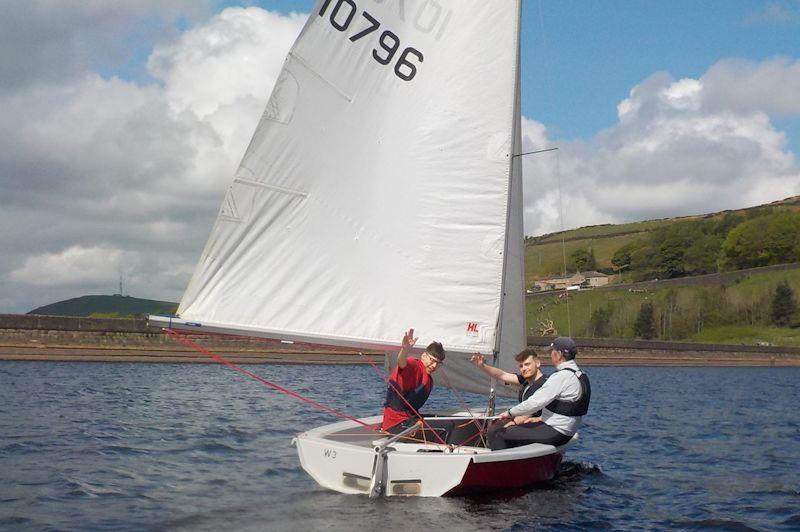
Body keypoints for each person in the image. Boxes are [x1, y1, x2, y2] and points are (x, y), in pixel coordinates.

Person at [489, 337, 590, 450]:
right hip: (566, 430)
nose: (551, 354)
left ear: (559, 354)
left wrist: (509, 413)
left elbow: (534, 403)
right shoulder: (580, 374)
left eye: (552, 351)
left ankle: (502, 466)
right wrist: (541, 418)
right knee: (515, 431)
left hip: (557, 431)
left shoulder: (561, 376)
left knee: (499, 434)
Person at [381, 328, 446, 433]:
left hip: (411, 420)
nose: (434, 365)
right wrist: (405, 349)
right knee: (446, 427)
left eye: (438, 363)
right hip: (396, 424)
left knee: (450, 421)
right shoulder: (414, 365)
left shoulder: (429, 380)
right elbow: (401, 363)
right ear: (424, 356)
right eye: (432, 360)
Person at [469, 347, 547, 426]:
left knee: (497, 432)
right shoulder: (526, 380)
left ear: (537, 363)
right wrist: (482, 366)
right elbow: (502, 375)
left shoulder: (544, 384)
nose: (524, 368)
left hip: (536, 424)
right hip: (525, 420)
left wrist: (511, 423)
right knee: (495, 427)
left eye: (527, 364)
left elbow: (528, 413)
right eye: (521, 366)